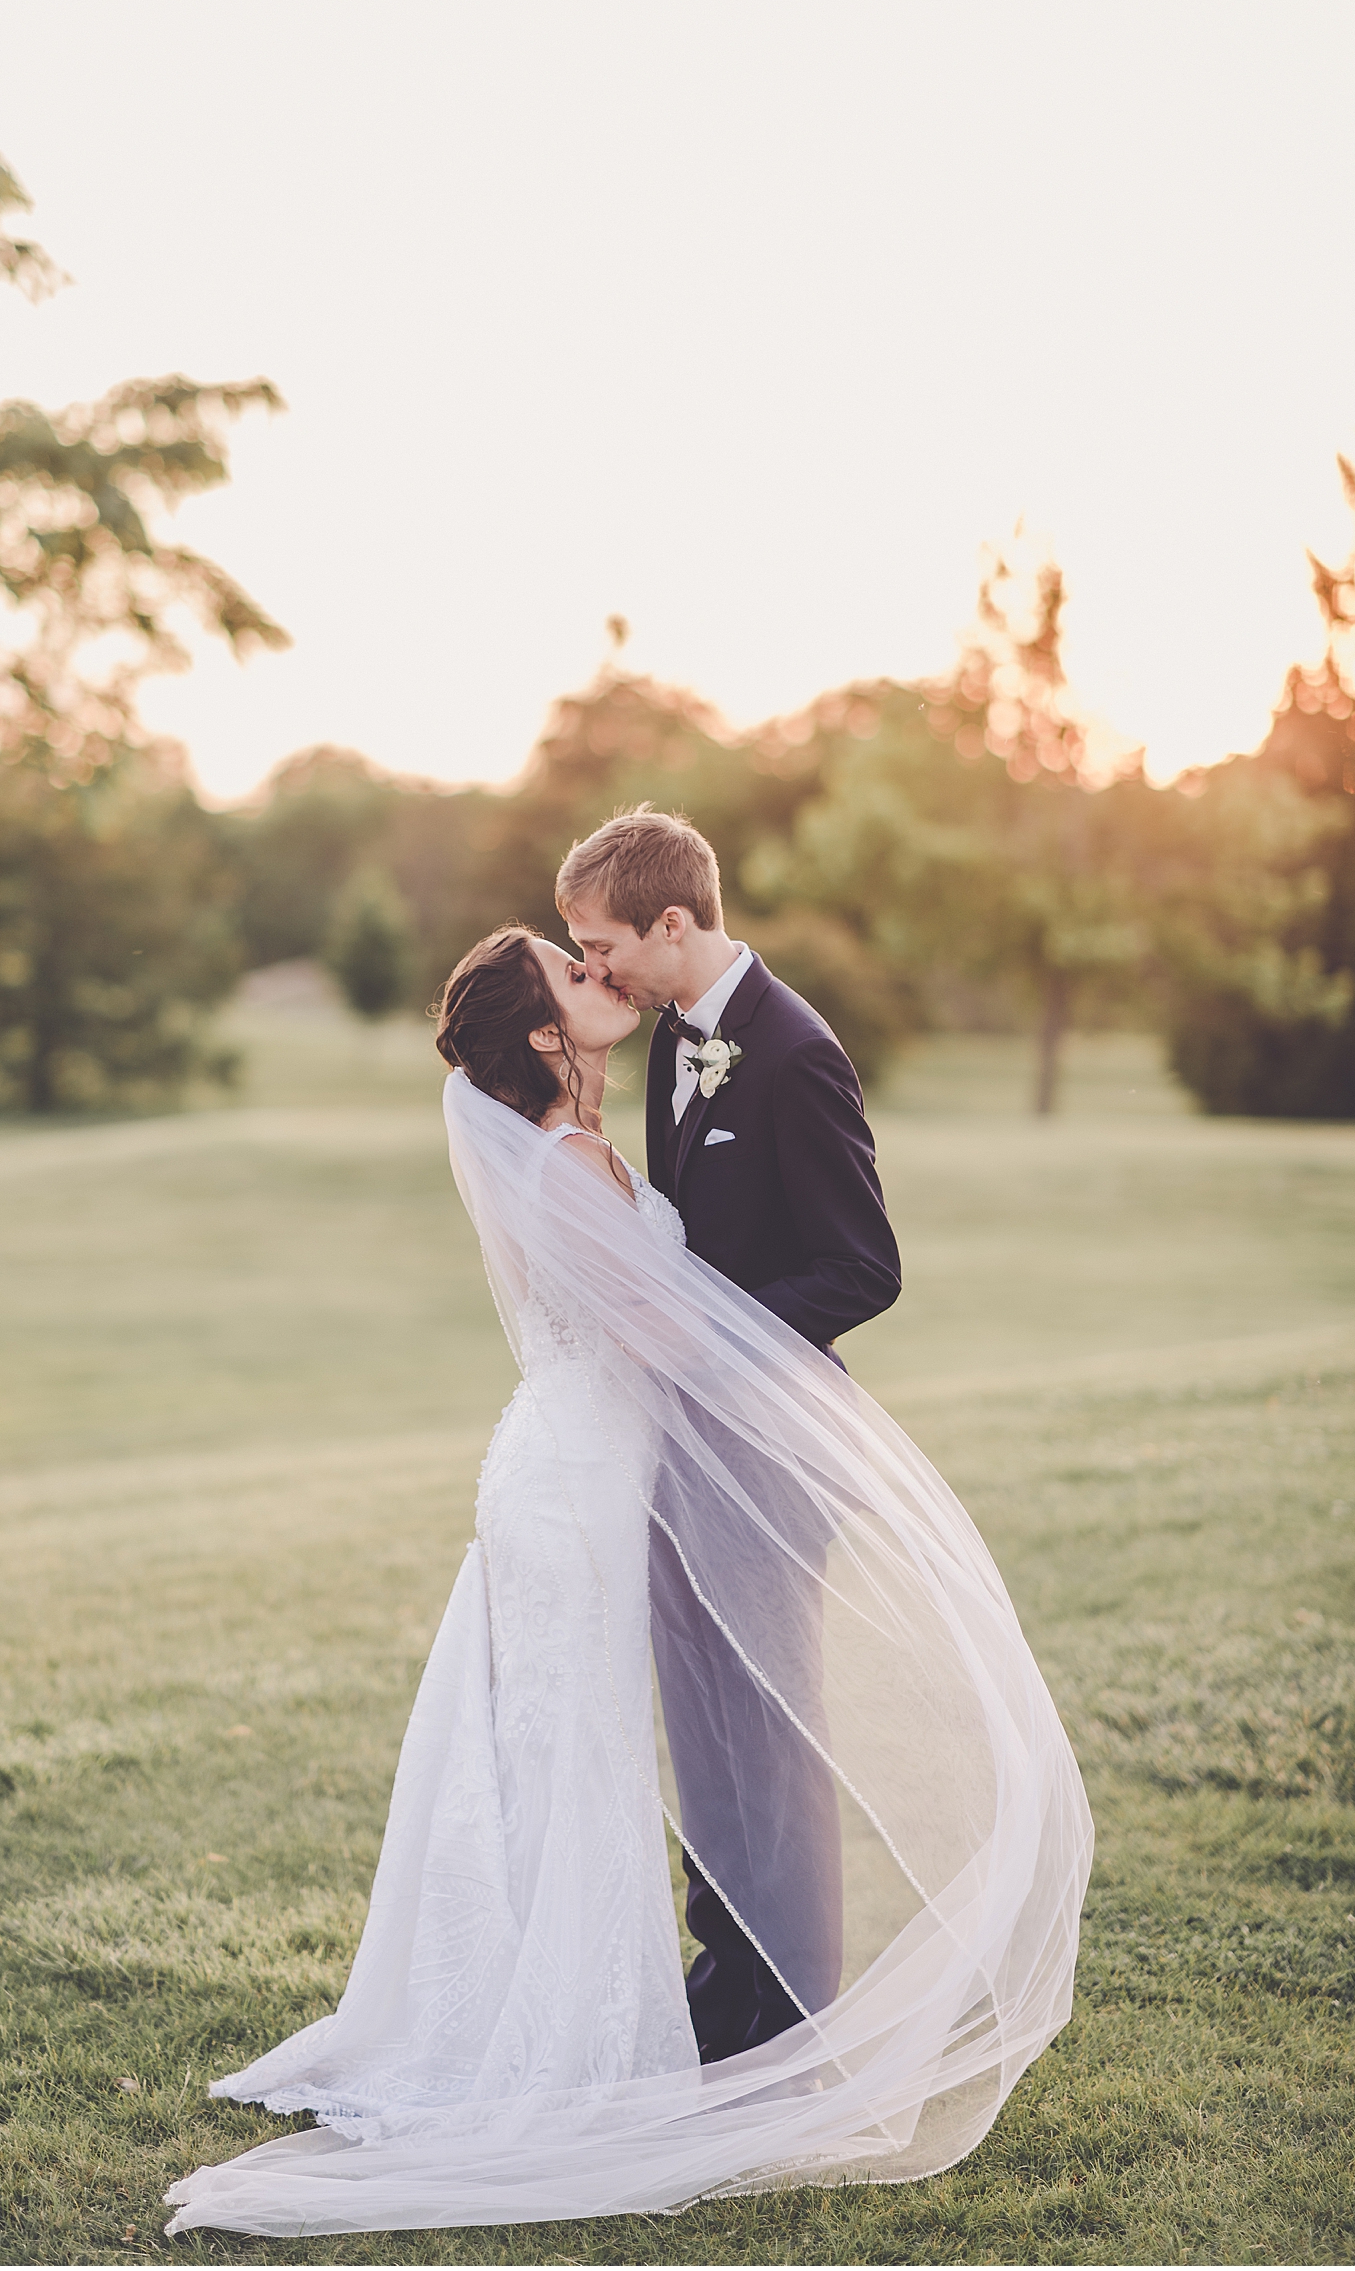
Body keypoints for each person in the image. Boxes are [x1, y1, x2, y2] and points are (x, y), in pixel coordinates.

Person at [165, 920, 1092, 2243]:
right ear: (546, 1036)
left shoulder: (589, 1137)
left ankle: (536, 2011)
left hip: (581, 1471)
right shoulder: (562, 1168)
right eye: (572, 972)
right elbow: (665, 1334)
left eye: (594, 957)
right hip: (579, 1488)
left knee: (563, 1752)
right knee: (568, 1757)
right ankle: (548, 2034)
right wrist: (809, 1411)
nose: (599, 979)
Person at [557, 807, 898, 2062]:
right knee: (703, 1717)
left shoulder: (795, 1051)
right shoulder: (673, 1043)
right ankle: (729, 1962)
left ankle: (798, 2000)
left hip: (771, 1443)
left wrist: (705, 1338)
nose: (592, 971)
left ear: (673, 922)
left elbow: (862, 1268)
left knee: (774, 1720)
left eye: (600, 947)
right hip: (686, 1438)